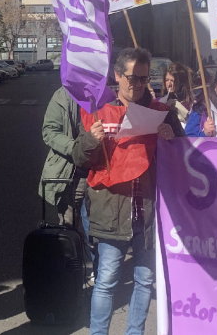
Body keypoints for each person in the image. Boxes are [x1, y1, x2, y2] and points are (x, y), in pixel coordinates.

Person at [73, 47, 184, 335]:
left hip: (148, 213)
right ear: (117, 75)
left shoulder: (161, 113)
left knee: (144, 281)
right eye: (132, 78)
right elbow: (80, 160)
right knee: (106, 281)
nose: (138, 85)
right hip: (111, 211)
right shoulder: (99, 111)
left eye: (144, 79)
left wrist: (172, 140)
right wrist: (91, 140)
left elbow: (183, 160)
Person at [39, 86, 89, 230]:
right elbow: (49, 131)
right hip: (72, 174)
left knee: (98, 232)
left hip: (102, 176)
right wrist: (74, 148)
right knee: (69, 228)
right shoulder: (62, 96)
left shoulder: (107, 95)